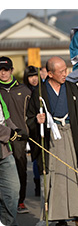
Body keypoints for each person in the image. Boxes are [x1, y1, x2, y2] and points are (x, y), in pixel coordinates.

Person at [26, 57, 78, 226]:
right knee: (55, 176)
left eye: (66, 70)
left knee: (74, 174)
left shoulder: (71, 88)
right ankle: (59, 216)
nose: (65, 74)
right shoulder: (39, 92)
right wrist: (37, 120)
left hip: (71, 134)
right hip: (51, 138)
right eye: (61, 71)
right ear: (49, 73)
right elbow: (29, 118)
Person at [0, 57, 32, 214]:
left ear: (11, 71)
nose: (3, 73)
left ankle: (20, 201)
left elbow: (31, 114)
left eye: (6, 70)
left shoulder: (25, 90)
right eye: (0, 70)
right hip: (2, 138)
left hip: (19, 137)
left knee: (21, 168)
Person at [0, 90, 21, 226]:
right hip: (3, 138)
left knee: (12, 189)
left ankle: (8, 223)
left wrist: (17, 131)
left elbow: (5, 117)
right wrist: (9, 133)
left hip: (4, 150)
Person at [22, 66, 41, 197]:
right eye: (30, 76)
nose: (34, 79)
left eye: (35, 76)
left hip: (43, 126)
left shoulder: (43, 89)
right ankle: (37, 184)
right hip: (30, 127)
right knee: (35, 156)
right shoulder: (24, 91)